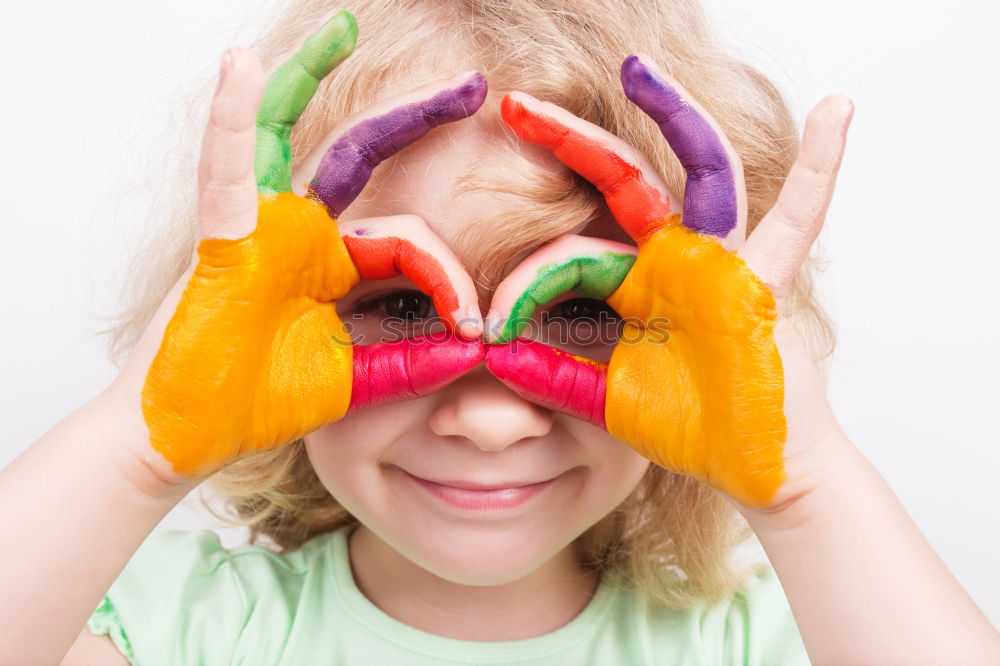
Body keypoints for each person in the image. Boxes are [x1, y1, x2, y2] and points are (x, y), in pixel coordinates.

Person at [1, 1, 997, 664]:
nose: (486, 420)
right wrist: (135, 452)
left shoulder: (786, 637)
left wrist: (808, 490)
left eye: (582, 309)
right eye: (396, 301)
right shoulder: (173, 629)